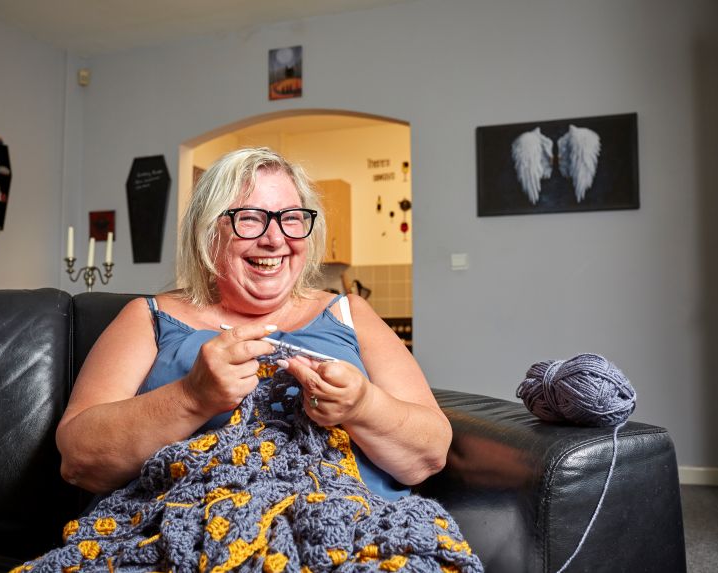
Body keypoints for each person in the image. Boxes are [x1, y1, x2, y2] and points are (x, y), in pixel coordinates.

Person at [55, 147, 452, 502]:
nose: (274, 239)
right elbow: (79, 460)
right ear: (207, 231)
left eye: (291, 218)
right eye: (249, 218)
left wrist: (363, 405)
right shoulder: (147, 317)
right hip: (185, 529)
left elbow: (430, 454)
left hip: (350, 525)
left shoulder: (350, 312)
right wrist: (192, 397)